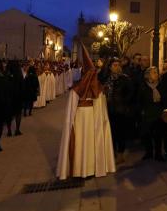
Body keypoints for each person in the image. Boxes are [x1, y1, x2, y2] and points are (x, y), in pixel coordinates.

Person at [57, 46, 115, 179]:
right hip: (82, 120)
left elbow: (100, 108)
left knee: (87, 143)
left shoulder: (87, 89)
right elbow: (71, 111)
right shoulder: (78, 90)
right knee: (83, 143)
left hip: (89, 119)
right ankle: (81, 169)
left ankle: (88, 169)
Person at [102, 58, 133, 164]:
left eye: (118, 65)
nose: (117, 67)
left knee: (121, 133)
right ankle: (112, 152)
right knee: (111, 132)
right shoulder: (107, 79)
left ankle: (120, 154)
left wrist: (124, 103)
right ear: (110, 67)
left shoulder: (125, 79)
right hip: (108, 109)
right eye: (115, 65)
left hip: (121, 110)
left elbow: (130, 94)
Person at [138, 66, 166, 161]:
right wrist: (141, 111)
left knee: (158, 135)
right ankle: (149, 152)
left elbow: (165, 99)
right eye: (154, 72)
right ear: (148, 75)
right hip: (147, 113)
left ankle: (158, 154)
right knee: (147, 135)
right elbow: (139, 100)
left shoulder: (161, 85)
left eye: (157, 72)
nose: (156, 74)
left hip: (159, 113)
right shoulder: (142, 86)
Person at [5, 60, 24, 136]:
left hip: (9, 98)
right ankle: (17, 130)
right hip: (18, 97)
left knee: (9, 115)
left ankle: (9, 130)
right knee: (18, 114)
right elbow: (22, 87)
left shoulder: (6, 75)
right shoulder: (19, 75)